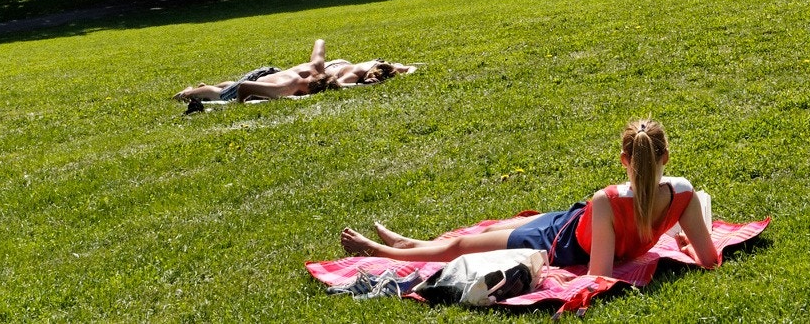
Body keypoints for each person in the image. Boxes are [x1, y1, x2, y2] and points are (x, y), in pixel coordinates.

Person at [339, 119, 721, 279]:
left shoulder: (608, 199)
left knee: (464, 245)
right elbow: (709, 259)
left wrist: (680, 242)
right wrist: (685, 244)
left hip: (561, 237)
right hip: (568, 225)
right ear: (665, 157)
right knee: (504, 227)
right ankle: (411, 244)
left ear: (624, 161)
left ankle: (383, 252)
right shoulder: (682, 193)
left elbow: (599, 276)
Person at [173, 40, 413, 103]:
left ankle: (206, 88)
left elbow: (320, 42)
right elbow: (245, 90)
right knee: (219, 92)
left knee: (231, 84)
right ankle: (188, 92)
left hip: (269, 71)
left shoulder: (316, 69)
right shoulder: (288, 88)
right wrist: (237, 104)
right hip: (265, 79)